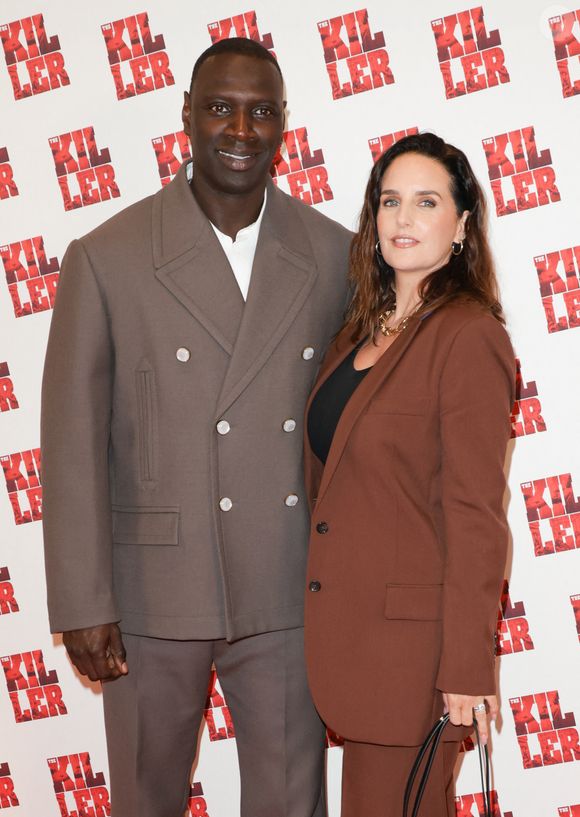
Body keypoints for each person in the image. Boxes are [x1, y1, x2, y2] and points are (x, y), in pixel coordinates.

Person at [41, 38, 352, 817]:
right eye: (220, 107)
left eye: (261, 111)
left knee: (291, 803)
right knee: (145, 798)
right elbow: (72, 443)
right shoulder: (106, 257)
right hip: (150, 596)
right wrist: (83, 599)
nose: (240, 129)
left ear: (285, 124)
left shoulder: (336, 255)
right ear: (185, 115)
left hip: (286, 587)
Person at [303, 132, 515, 817]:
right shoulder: (357, 334)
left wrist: (465, 668)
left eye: (426, 202)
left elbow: (475, 510)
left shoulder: (468, 334)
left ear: (460, 225)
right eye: (389, 201)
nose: (403, 218)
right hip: (350, 643)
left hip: (415, 661)